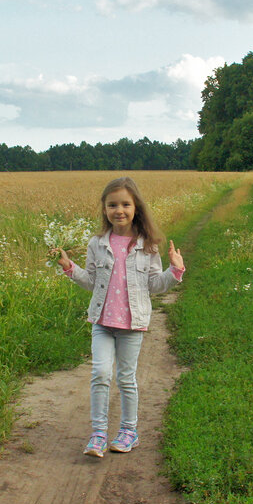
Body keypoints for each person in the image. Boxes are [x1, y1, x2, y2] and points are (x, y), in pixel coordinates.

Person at [56, 177, 185, 457]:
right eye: (112, 205)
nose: (119, 210)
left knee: (126, 379)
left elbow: (154, 285)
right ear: (104, 209)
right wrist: (69, 267)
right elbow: (91, 280)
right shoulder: (97, 243)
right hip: (102, 323)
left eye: (125, 204)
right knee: (100, 373)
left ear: (136, 207)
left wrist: (174, 272)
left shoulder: (147, 246)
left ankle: (129, 431)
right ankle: (99, 434)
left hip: (131, 325)